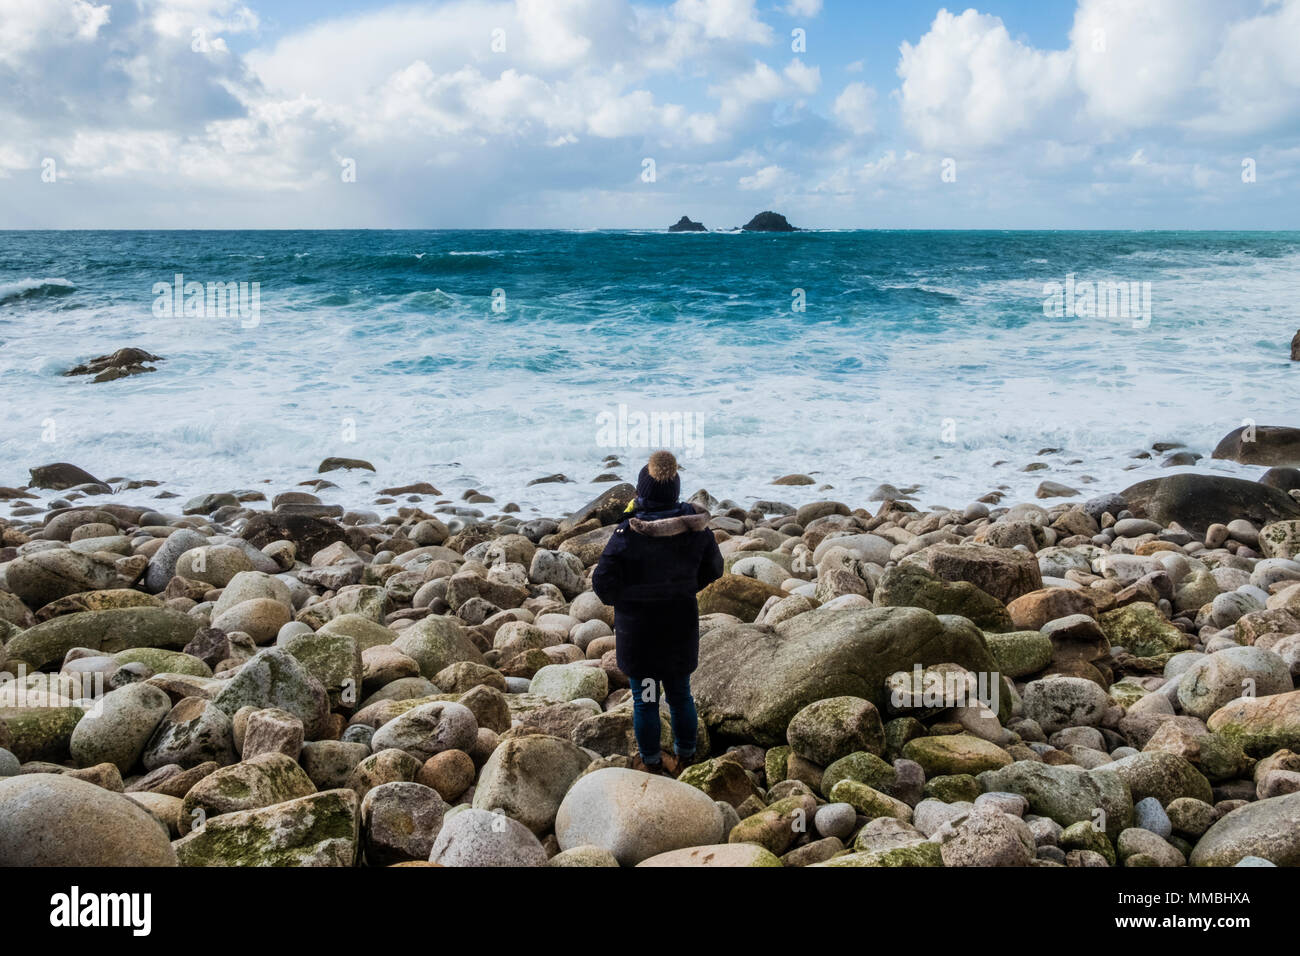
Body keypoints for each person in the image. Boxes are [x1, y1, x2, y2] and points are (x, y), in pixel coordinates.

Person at [592, 450, 723, 776]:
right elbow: (715, 569)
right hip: (678, 628)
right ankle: (687, 757)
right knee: (680, 695)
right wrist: (686, 587)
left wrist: (626, 599)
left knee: (646, 697)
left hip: (640, 635)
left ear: (642, 492)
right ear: (675, 491)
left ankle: (650, 761)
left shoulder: (628, 534)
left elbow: (602, 582)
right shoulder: (696, 528)